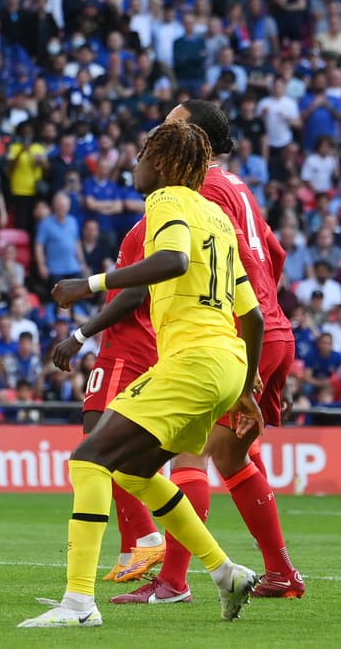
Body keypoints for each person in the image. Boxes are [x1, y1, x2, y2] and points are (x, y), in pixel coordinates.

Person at [19, 121, 262, 628]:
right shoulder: (217, 217)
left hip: (193, 361)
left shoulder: (166, 201)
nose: (134, 165)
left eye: (141, 155)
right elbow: (253, 316)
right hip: (227, 361)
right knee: (134, 471)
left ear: (163, 163)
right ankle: (225, 573)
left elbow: (171, 261)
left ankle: (78, 605)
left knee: (89, 459)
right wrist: (244, 389)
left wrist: (89, 283)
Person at [141, 99, 303, 599]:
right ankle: (281, 574)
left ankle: (172, 582)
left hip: (231, 333)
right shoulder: (236, 184)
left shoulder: (200, 189)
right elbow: (273, 253)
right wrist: (265, 321)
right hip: (269, 328)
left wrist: (239, 338)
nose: (158, 132)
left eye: (170, 126)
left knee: (187, 454)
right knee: (233, 457)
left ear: (194, 139)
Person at [50, 217, 164, 586]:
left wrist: (80, 335)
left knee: (97, 449)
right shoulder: (157, 224)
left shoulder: (155, 225)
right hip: (133, 348)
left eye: (145, 155)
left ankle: (146, 538)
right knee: (118, 453)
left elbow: (134, 294)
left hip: (126, 352)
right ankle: (131, 549)